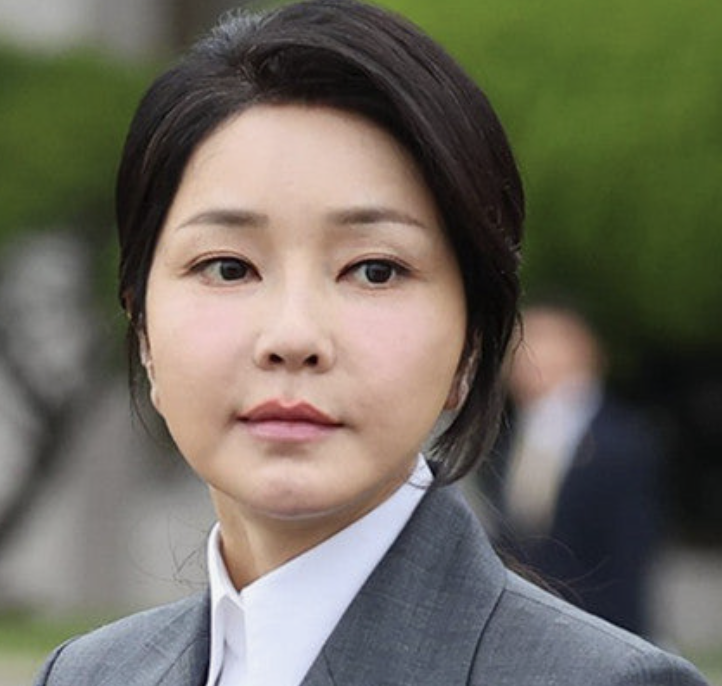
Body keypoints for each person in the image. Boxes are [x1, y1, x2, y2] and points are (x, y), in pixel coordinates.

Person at [34, 1, 707, 684]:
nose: (293, 337)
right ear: (143, 329)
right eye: (229, 267)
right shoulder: (85, 675)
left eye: (375, 270)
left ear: (472, 344)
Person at [492, 302, 662, 636]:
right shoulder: (511, 436)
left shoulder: (622, 442)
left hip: (595, 628)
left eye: (540, 342)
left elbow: (628, 557)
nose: (522, 357)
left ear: (581, 350)